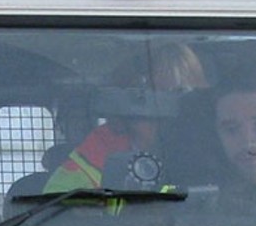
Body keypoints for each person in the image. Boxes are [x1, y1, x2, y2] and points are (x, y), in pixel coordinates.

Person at [44, 43, 205, 192]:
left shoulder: (217, 153)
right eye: (152, 99)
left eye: (182, 100)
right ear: (126, 108)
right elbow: (51, 217)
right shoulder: (88, 164)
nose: (169, 114)